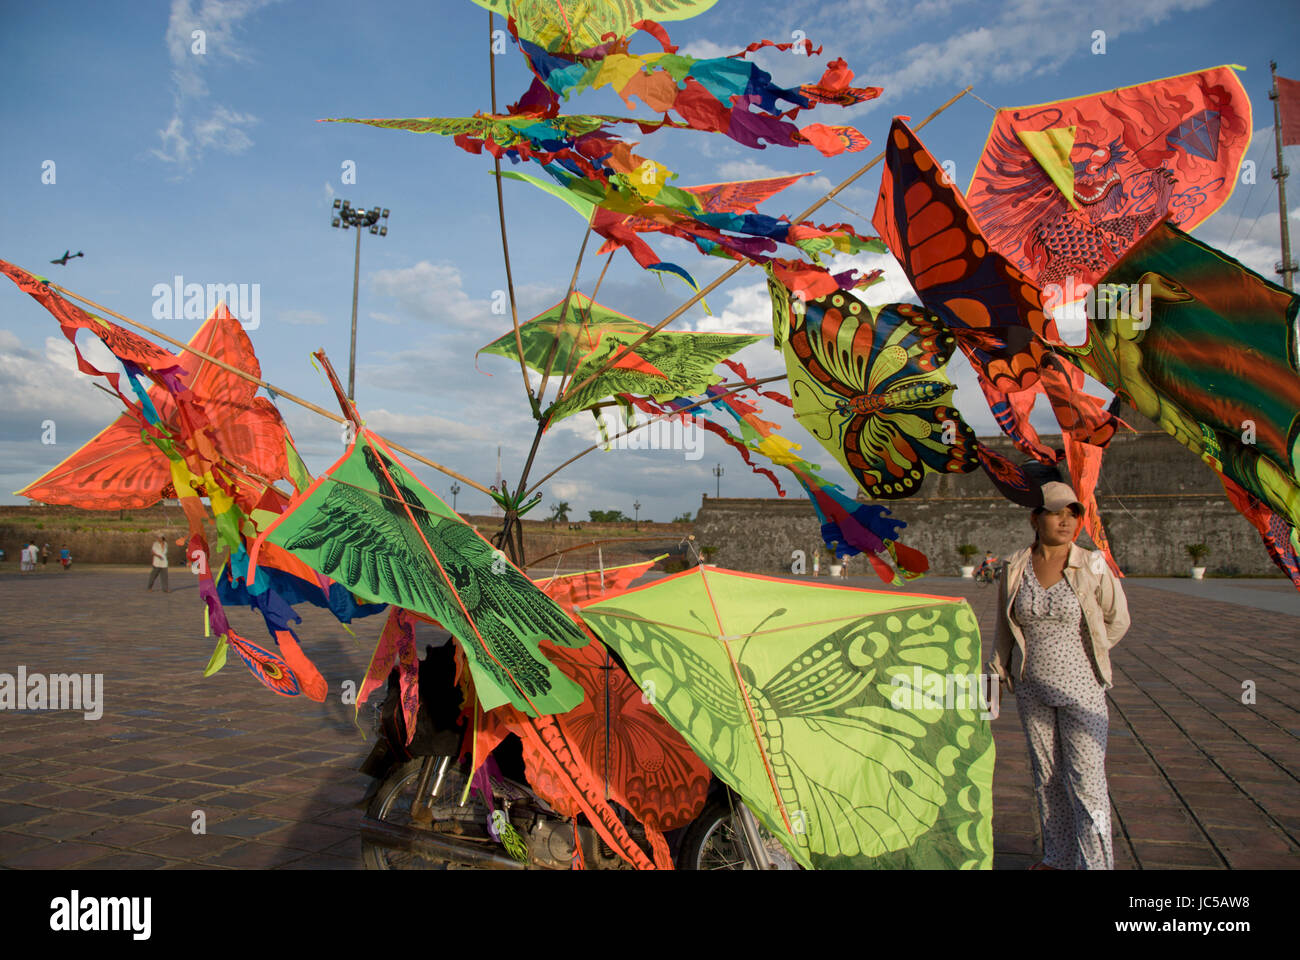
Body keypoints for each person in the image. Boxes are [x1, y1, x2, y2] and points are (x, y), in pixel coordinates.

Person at [988, 481, 1130, 871]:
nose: (1066, 521)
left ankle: (1097, 864)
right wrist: (996, 675)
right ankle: (1058, 857)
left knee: (1089, 783)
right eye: (1056, 512)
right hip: (1032, 688)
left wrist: (1087, 657)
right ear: (1036, 518)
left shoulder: (1092, 564)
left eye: (1073, 513)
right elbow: (1004, 626)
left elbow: (1118, 620)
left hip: (1081, 688)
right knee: (1046, 778)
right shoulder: (1016, 565)